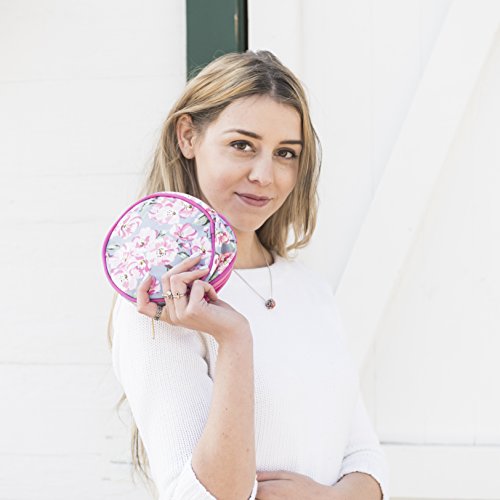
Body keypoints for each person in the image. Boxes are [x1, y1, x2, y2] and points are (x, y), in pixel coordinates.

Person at [108, 50, 390, 500]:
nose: (264, 175)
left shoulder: (310, 290)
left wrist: (327, 497)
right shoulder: (160, 305)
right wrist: (235, 339)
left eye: (285, 153)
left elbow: (367, 462)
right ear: (188, 136)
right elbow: (204, 496)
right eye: (242, 145)